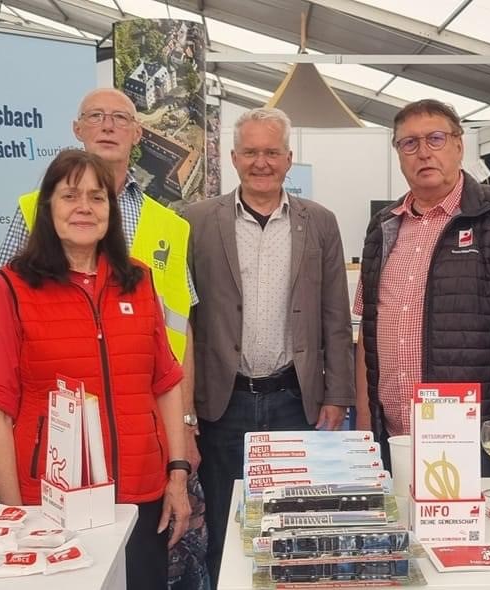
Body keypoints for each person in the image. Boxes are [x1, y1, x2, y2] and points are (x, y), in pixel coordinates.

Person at [0, 88, 207, 589]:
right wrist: (13, 509)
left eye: (96, 197)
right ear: (48, 207)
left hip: (142, 488)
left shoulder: (137, 277)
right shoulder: (12, 287)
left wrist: (176, 474)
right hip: (51, 495)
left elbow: (166, 379)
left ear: (111, 208)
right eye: (69, 195)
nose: (83, 207)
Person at [183, 107, 354, 586]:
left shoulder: (319, 222)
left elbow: (335, 314)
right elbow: (183, 320)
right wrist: (184, 410)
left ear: (289, 159)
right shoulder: (196, 221)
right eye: (252, 152)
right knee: (221, 520)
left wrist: (338, 394)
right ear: (235, 158)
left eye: (272, 152)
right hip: (221, 401)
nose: (262, 162)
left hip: (291, 401)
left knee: (291, 523)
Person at [353, 99, 490, 474]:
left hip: (471, 437)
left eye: (435, 138)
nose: (423, 152)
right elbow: (369, 329)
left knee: (471, 531)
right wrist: (365, 426)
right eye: (409, 143)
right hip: (393, 437)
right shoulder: (383, 227)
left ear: (459, 145)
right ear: (399, 154)